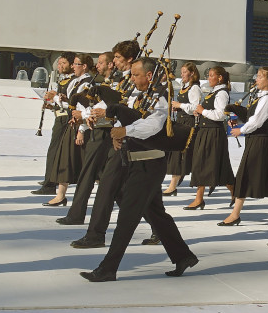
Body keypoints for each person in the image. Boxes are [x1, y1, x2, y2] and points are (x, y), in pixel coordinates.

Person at [80, 58, 198, 281]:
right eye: (132, 74)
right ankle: (183, 256)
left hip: (149, 163)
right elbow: (124, 115)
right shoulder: (138, 95)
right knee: (155, 214)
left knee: (127, 217)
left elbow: (152, 126)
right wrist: (116, 132)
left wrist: (125, 131)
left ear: (149, 76)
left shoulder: (159, 97)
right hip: (135, 160)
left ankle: (108, 268)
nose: (132, 78)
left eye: (136, 75)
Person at [69, 40, 137, 248]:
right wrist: (91, 114)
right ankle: (161, 230)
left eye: (117, 58)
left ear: (130, 60)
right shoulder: (120, 79)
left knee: (111, 188)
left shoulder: (134, 82)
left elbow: (125, 108)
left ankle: (96, 235)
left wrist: (89, 114)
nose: (114, 61)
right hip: (114, 136)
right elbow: (107, 104)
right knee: (119, 191)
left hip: (127, 139)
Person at [58, 53, 122, 227]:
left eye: (101, 62)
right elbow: (96, 106)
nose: (98, 65)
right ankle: (76, 214)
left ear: (110, 65)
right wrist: (83, 119)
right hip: (98, 130)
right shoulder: (104, 82)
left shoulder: (117, 83)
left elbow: (108, 107)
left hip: (108, 132)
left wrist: (83, 116)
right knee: (94, 176)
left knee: (101, 178)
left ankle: (77, 215)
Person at [219, 67, 268, 226]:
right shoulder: (261, 97)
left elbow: (257, 122)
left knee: (244, 175)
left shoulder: (267, 99)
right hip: (258, 140)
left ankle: (235, 214)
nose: (257, 79)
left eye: (260, 77)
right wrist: (239, 120)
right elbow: (252, 118)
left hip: (260, 141)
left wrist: (240, 130)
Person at [183, 66, 237, 210]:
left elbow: (220, 115)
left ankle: (199, 199)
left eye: (211, 75)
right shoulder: (215, 92)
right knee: (214, 165)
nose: (209, 78)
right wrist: (199, 113)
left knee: (205, 164)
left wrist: (203, 111)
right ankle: (233, 191)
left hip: (213, 133)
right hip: (206, 131)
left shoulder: (222, 93)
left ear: (220, 77)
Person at [43, 54, 91, 207]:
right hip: (72, 123)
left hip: (79, 124)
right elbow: (71, 104)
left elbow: (83, 106)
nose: (73, 66)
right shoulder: (76, 82)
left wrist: (81, 130)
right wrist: (56, 102)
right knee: (65, 159)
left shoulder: (87, 83)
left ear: (84, 66)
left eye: (76, 64)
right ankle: (60, 195)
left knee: (89, 166)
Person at [33, 54, 74, 196]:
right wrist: (52, 106)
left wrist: (54, 97)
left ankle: (49, 183)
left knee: (54, 151)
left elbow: (71, 103)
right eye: (59, 63)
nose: (59, 66)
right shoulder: (64, 80)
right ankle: (50, 179)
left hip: (65, 120)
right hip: (60, 117)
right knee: (55, 151)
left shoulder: (73, 81)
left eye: (63, 63)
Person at [164, 62, 202, 196]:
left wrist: (180, 105)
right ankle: (175, 182)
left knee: (180, 153)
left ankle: (173, 184)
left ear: (192, 73)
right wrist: (177, 107)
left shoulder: (194, 88)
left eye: (185, 72)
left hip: (188, 122)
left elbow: (195, 107)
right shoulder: (184, 86)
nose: (182, 74)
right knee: (177, 152)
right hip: (181, 120)